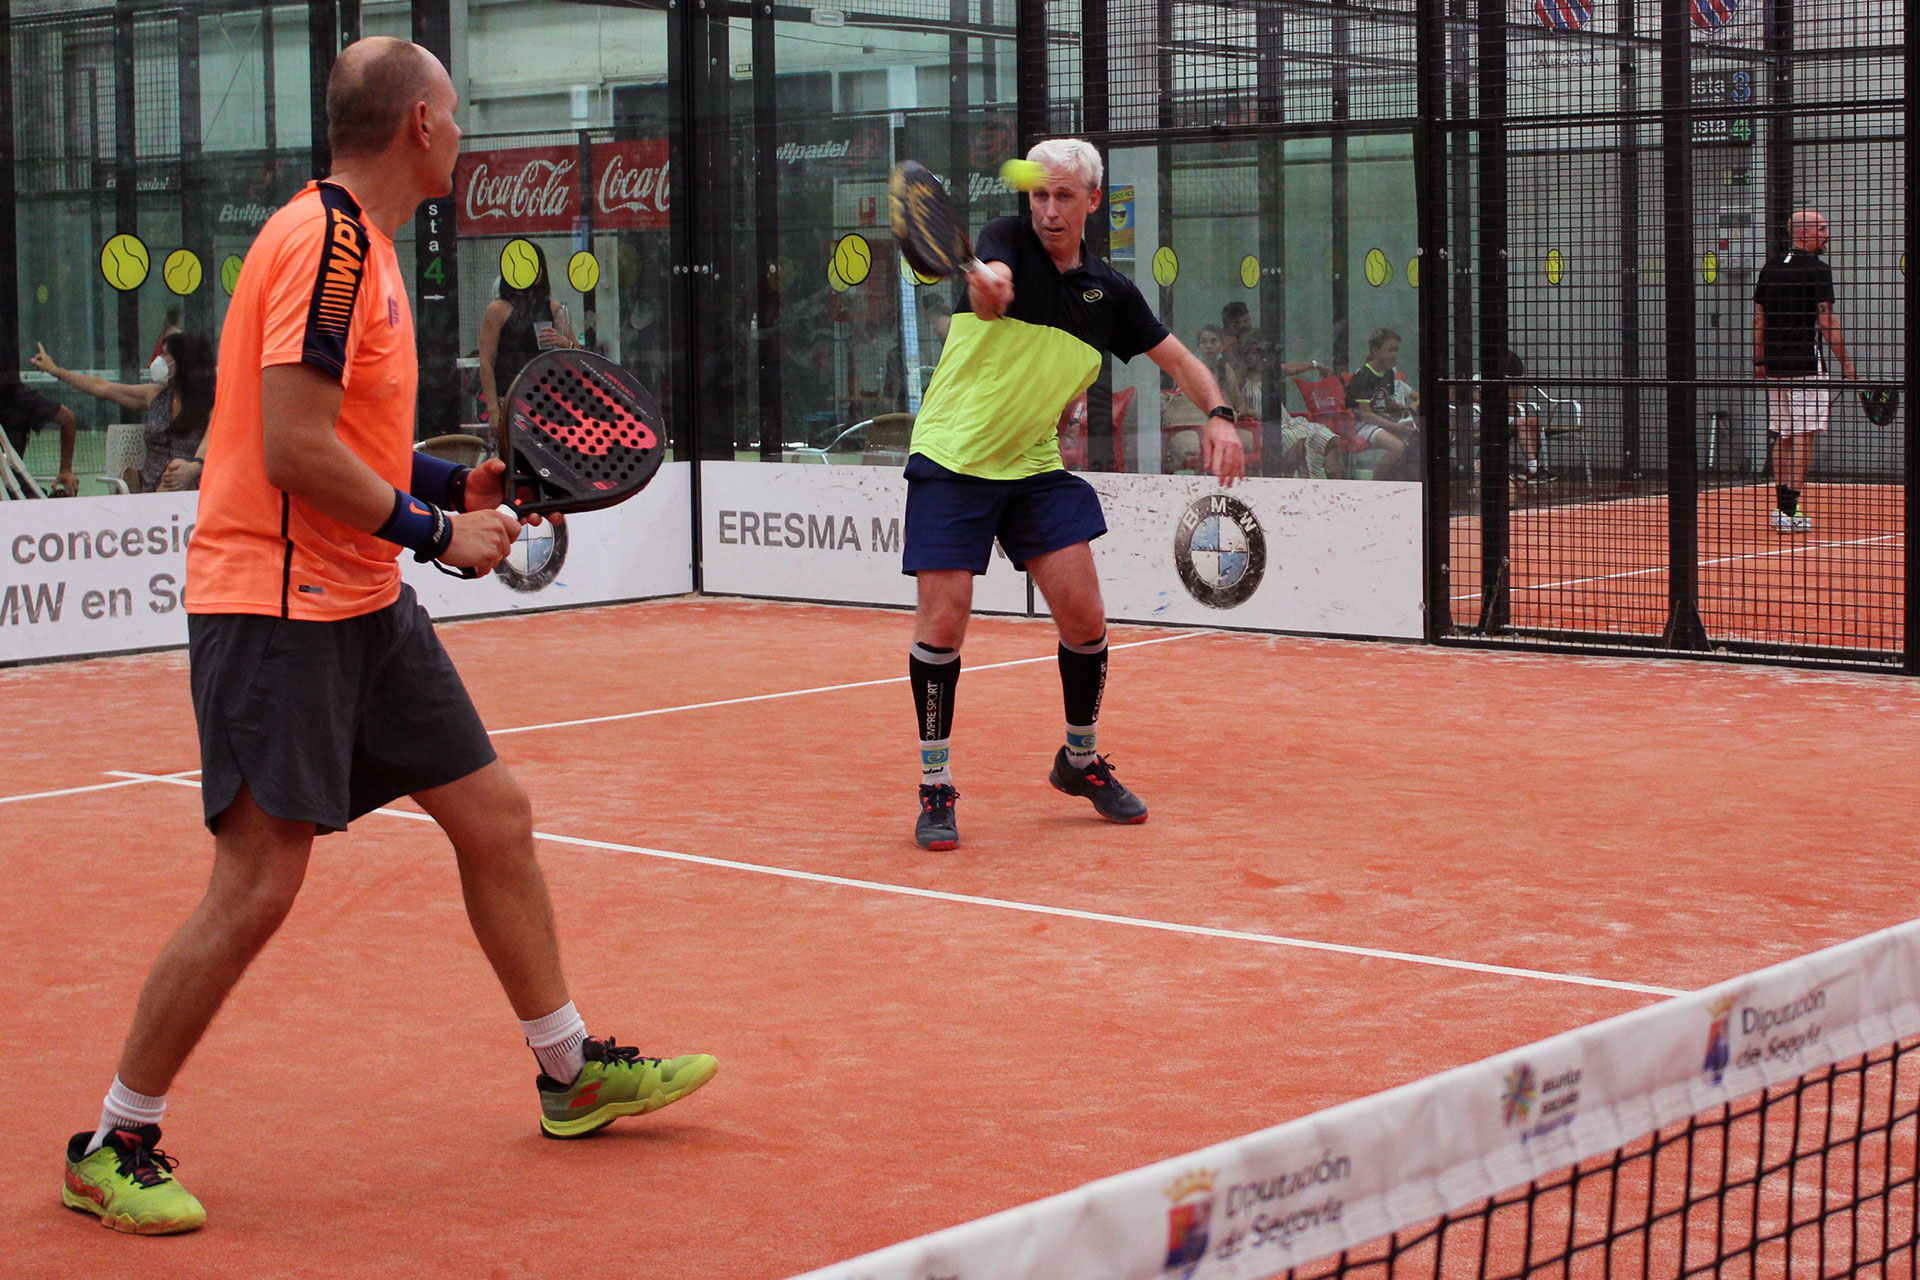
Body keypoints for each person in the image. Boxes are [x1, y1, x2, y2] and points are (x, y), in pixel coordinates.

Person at [60, 37, 716, 1238]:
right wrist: (433, 529)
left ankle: (569, 1073)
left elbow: (336, 436)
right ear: (418, 124)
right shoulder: (329, 245)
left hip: (359, 598)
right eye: (456, 117)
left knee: (494, 816)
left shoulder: (357, 244)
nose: (464, 137)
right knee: (258, 882)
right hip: (277, 604)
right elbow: (293, 448)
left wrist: (439, 488)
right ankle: (114, 1137)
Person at [903, 137, 1243, 851]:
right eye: (1039, 195)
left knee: (1085, 617)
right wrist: (989, 287)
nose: (1049, 211)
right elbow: (988, 279)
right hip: (952, 457)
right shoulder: (1006, 242)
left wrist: (1219, 414)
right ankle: (936, 785)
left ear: (1094, 202)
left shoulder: (1110, 295)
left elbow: (1180, 362)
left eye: (1064, 197)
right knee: (945, 624)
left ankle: (1079, 762)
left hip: (1030, 466)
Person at [1754, 208, 1855, 533]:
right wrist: (1848, 365)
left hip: (1774, 366)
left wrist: (1759, 362)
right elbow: (1827, 321)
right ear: (1803, 233)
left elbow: (1759, 319)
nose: (1826, 234)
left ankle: (1782, 511)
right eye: (1822, 229)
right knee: (1803, 436)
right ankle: (1790, 511)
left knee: (1784, 435)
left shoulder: (1769, 269)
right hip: (1806, 366)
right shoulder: (1818, 270)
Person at [32, 333, 217, 493]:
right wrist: (57, 372)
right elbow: (103, 387)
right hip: (152, 489)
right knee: (169, 478)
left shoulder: (211, 402)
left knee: (177, 470)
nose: (157, 359)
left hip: (194, 488)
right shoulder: (155, 396)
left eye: (164, 354)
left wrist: (194, 467)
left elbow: (212, 440)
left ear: (181, 361)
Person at [478, 241, 578, 445]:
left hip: (550, 399)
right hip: (510, 397)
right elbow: (486, 361)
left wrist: (563, 342)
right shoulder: (497, 309)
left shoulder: (557, 308)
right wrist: (493, 408)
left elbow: (579, 352)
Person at [1345, 327, 1419, 480]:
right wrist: (1396, 427)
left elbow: (1387, 403)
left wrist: (1406, 410)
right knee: (1397, 447)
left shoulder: (1388, 372)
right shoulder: (1364, 376)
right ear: (1375, 350)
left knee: (1419, 436)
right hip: (1360, 425)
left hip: (1381, 420)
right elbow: (1365, 415)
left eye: (1396, 350)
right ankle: (1376, 486)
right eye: (1390, 350)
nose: (1394, 354)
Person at [0, 370, 78, 495]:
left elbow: (67, 418)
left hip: (14, 489)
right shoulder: (23, 398)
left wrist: (66, 469)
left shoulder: (23, 399)